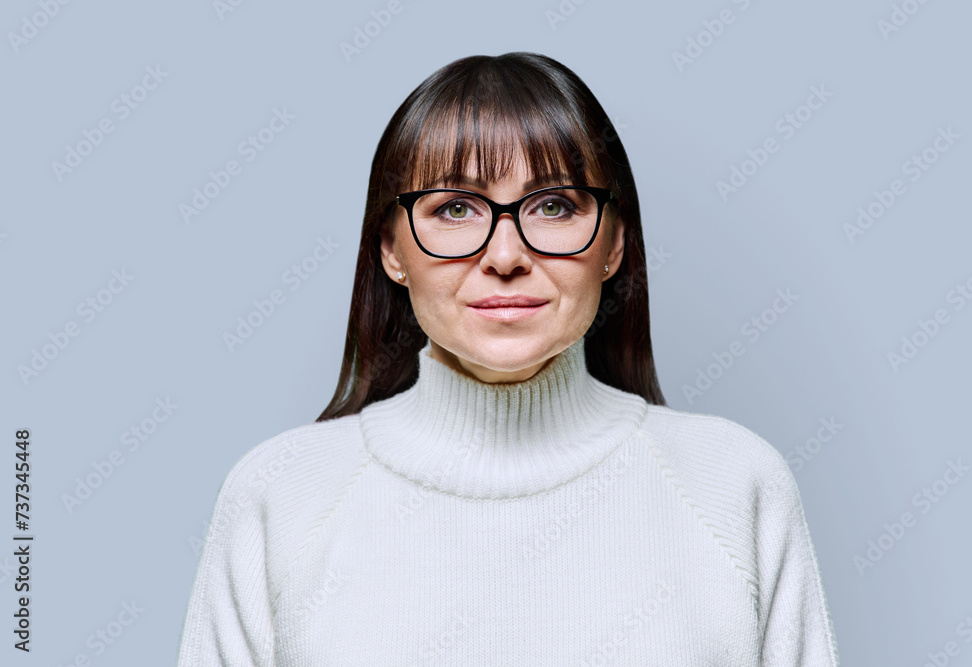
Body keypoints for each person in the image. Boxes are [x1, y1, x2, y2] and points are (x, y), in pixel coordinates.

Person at [176, 51, 839, 666]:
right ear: (391, 250)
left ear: (613, 243)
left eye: (553, 205)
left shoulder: (733, 487)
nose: (504, 255)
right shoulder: (279, 496)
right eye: (456, 208)